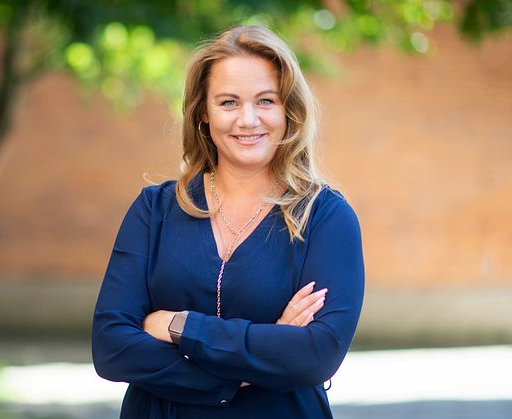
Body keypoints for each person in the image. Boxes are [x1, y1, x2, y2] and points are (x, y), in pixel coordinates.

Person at [92, 24, 364, 419]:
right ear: (204, 112)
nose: (248, 119)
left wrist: (179, 326)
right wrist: (244, 371)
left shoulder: (325, 217)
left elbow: (315, 355)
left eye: (266, 101)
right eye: (229, 102)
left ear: (288, 110)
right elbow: (112, 348)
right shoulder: (154, 210)